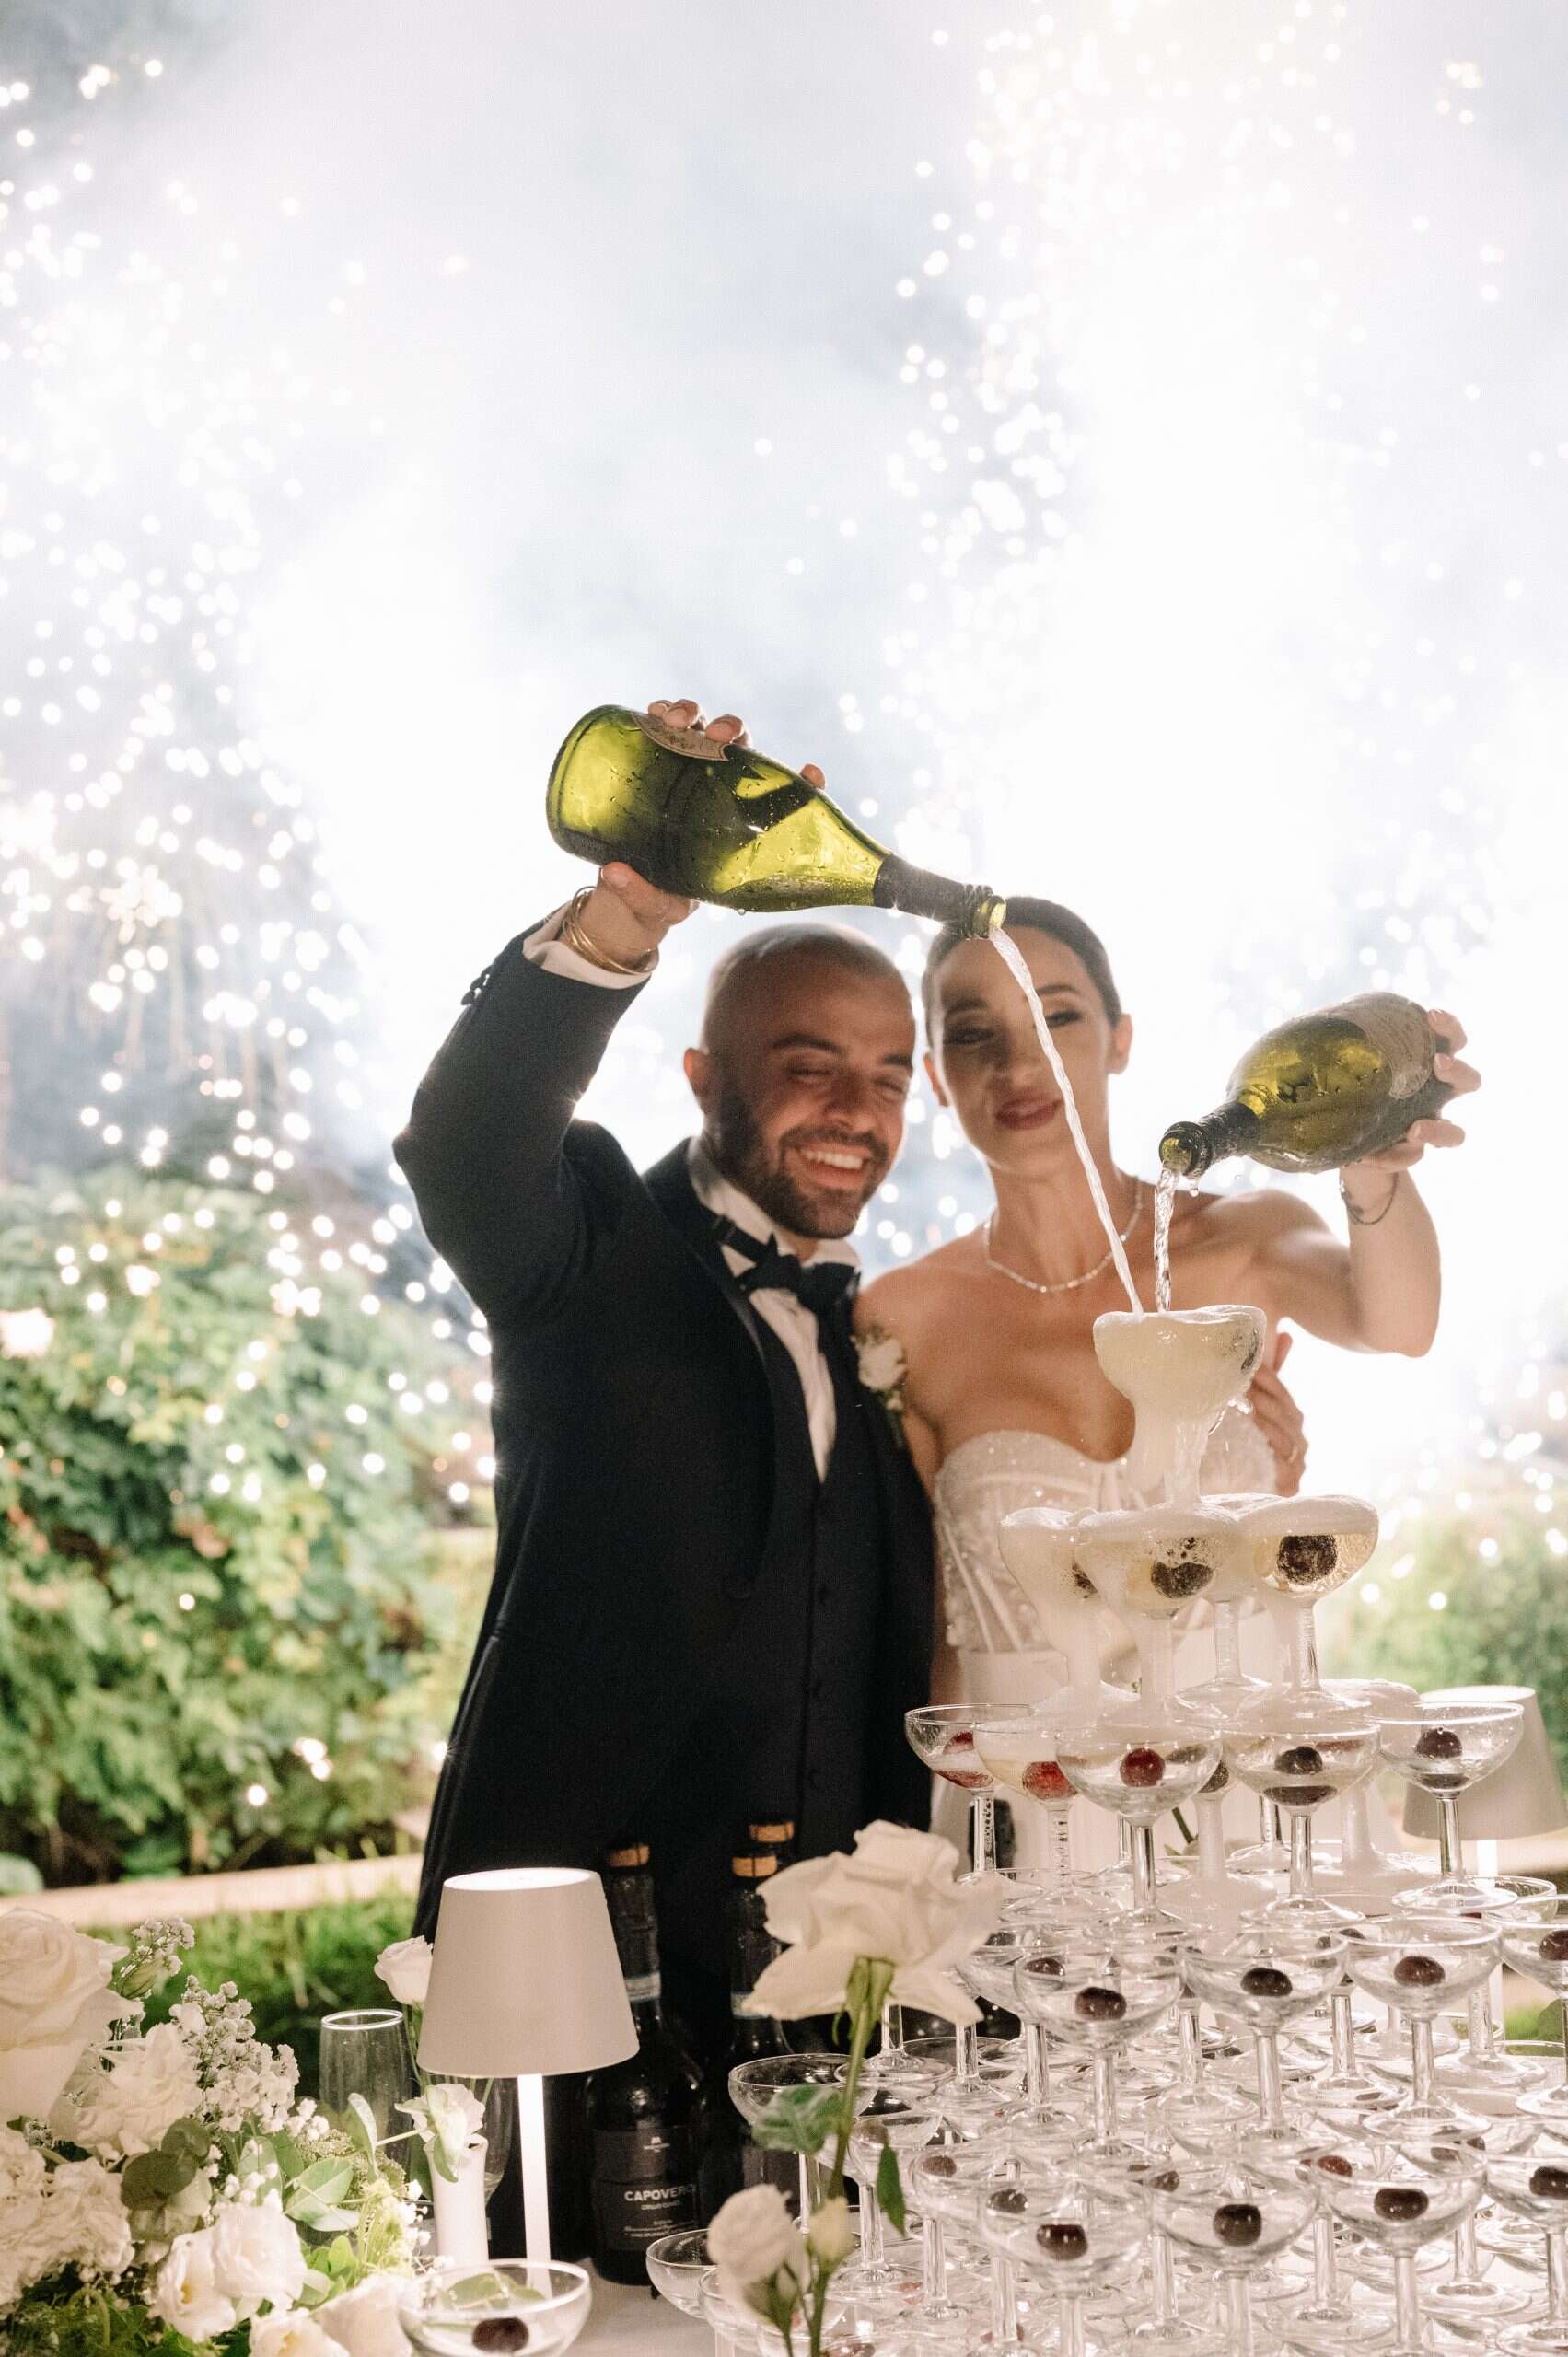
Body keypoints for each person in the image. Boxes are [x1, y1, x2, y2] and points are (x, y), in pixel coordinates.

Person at [393, 697, 936, 2060]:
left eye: (887, 1079)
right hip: (584, 1964)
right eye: (809, 1069)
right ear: (702, 1078)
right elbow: (463, 1143)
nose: (856, 1115)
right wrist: (618, 925)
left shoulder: (878, 1322)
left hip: (842, 1995)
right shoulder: (590, 1248)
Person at [856, 895, 1480, 1743]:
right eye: (973, 1033)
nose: (1019, 1062)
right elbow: (929, 1613)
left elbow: (1398, 1323)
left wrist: (1372, 1169)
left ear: (1120, 1039)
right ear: (935, 1074)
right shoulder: (903, 1318)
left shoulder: (1243, 1236)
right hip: (1036, 1796)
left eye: (1058, 1018)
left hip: (1254, 1777)